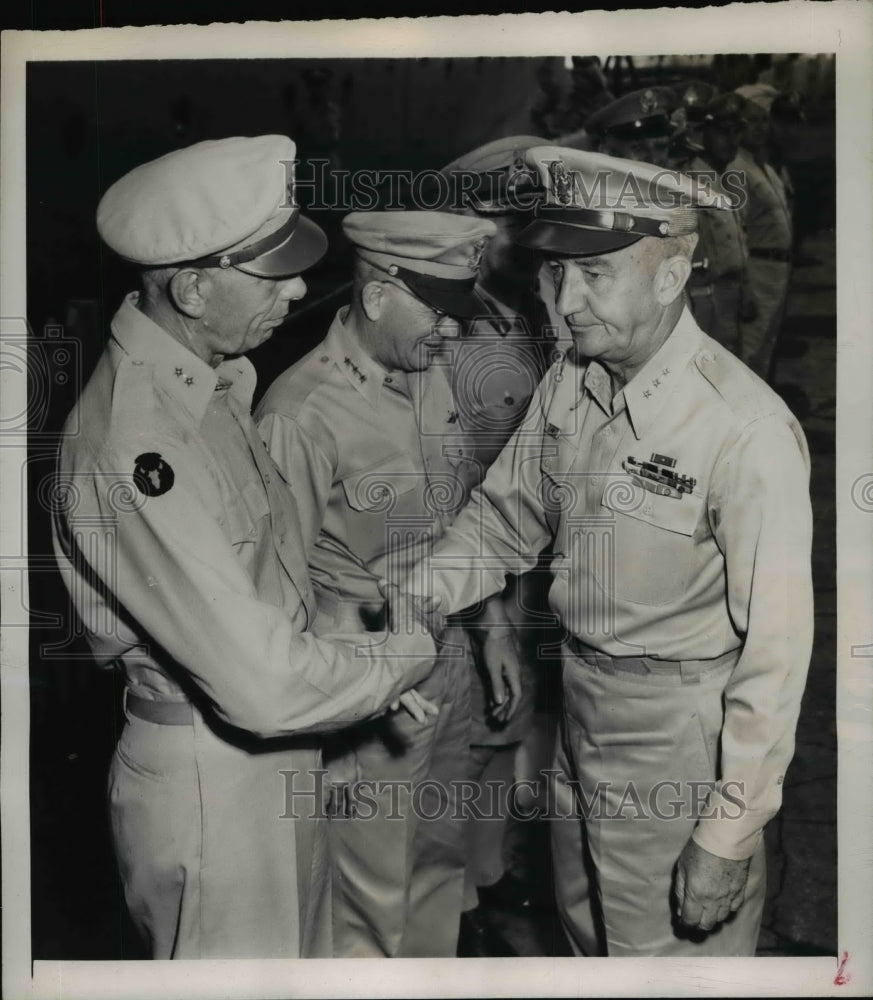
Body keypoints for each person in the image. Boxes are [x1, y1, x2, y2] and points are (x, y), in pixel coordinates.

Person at [406, 146, 814, 957]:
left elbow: (776, 655)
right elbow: (501, 521)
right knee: (589, 940)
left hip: (679, 735)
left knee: (666, 964)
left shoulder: (742, 430)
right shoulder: (574, 379)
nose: (567, 303)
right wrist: (417, 596)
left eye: (595, 276)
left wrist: (725, 835)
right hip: (582, 709)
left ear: (669, 278)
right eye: (557, 274)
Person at [51, 135, 440, 960]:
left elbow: (264, 584)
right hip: (212, 779)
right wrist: (400, 658)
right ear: (191, 288)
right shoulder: (138, 443)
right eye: (271, 274)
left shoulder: (213, 383)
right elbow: (260, 686)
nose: (299, 288)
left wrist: (352, 661)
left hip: (267, 756)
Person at [256, 209, 521, 958]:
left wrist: (491, 627)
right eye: (435, 311)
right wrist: (325, 738)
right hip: (365, 683)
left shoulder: (428, 372)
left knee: (438, 863)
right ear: (376, 297)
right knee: (368, 897)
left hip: (444, 658)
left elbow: (462, 509)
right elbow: (280, 590)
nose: (450, 330)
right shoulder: (299, 411)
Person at [439, 136, 559, 945]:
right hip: (469, 576)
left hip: (517, 567)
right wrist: (494, 619)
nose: (529, 238)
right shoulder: (451, 338)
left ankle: (484, 876)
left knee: (500, 731)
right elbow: (458, 499)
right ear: (475, 228)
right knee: (472, 733)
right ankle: (462, 899)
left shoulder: (512, 316)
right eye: (514, 221)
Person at [676, 90, 754, 353]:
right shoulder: (690, 181)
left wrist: (747, 288)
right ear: (701, 134)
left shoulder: (729, 176)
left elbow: (739, 238)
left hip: (733, 289)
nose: (732, 141)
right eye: (723, 132)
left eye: (736, 132)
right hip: (707, 294)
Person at [732, 85, 794, 380]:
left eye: (764, 120)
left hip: (779, 270)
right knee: (749, 354)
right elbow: (735, 228)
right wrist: (745, 286)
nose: (759, 128)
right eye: (751, 120)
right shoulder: (736, 168)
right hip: (757, 270)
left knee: (766, 352)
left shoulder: (766, 167)